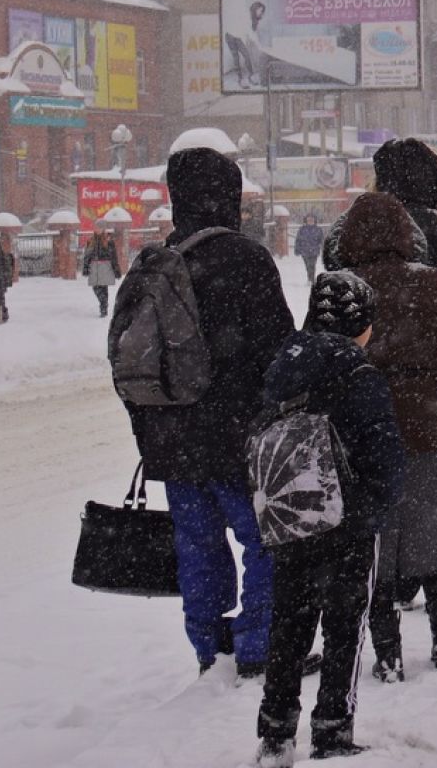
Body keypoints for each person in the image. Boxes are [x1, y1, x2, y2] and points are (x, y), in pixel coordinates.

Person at [122, 147, 294, 676]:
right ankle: (257, 643)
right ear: (231, 198)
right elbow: (279, 350)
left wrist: (152, 435)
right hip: (237, 435)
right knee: (264, 539)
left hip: (172, 438)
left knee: (197, 545)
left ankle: (207, 643)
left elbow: (135, 361)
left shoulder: (155, 264)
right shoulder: (245, 258)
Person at [329, 138, 437, 610]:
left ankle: (386, 577)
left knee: (375, 481)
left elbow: (330, 315)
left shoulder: (346, 234)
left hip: (362, 383)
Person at [254, 271, 406, 767]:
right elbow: (383, 451)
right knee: (344, 625)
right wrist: (378, 506)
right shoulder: (360, 373)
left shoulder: (284, 365)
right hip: (347, 518)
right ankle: (332, 729)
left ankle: (275, 733)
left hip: (290, 516)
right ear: (361, 322)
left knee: (289, 623)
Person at [332, 191, 437, 680]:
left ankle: (386, 652)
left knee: (376, 541)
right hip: (427, 418)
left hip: (363, 425)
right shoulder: (427, 280)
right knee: (434, 527)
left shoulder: (340, 285)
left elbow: (322, 348)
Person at [82, 227, 120, 318]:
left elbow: (113, 256)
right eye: (96, 228)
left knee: (103, 287)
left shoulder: (109, 241)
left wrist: (116, 269)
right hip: (94, 266)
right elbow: (87, 255)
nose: (98, 230)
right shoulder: (91, 241)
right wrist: (86, 267)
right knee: (95, 288)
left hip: (105, 266)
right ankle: (103, 303)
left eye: (100, 228)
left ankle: (103, 307)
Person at [294, 213, 325, 285]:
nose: (310, 221)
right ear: (306, 221)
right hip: (304, 251)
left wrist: (323, 248)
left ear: (314, 221)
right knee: (307, 265)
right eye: (309, 220)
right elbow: (298, 240)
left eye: (312, 220)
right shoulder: (302, 229)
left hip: (314, 251)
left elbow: (321, 240)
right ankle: (309, 278)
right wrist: (297, 249)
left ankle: (312, 279)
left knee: (312, 265)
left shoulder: (318, 229)